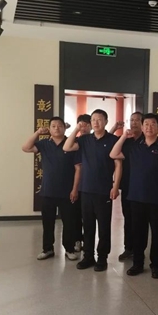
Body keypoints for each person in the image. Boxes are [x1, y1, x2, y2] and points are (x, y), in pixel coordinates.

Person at [110, 113, 158, 278]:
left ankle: (156, 265)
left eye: (153, 124)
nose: (149, 127)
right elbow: (113, 154)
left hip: (157, 198)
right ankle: (138, 263)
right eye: (146, 124)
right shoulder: (134, 146)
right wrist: (123, 136)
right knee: (138, 232)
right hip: (136, 197)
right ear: (142, 126)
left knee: (157, 233)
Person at [63, 109, 121, 272]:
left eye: (99, 119)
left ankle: (102, 258)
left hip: (104, 190)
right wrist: (77, 128)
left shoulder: (113, 140)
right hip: (86, 189)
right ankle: (88, 256)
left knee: (104, 226)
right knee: (88, 226)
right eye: (93, 119)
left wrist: (115, 186)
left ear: (106, 121)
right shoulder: (84, 139)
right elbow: (67, 147)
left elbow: (118, 164)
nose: (96, 122)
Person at [22, 117, 81, 261]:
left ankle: (69, 249)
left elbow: (78, 169)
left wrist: (75, 189)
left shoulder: (71, 143)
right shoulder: (44, 144)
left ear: (64, 128)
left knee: (69, 222)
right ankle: (47, 249)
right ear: (49, 129)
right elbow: (26, 148)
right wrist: (38, 133)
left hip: (67, 192)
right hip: (48, 191)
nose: (56, 128)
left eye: (59, 125)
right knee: (47, 222)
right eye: (53, 126)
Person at [117, 112, 143, 261]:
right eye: (132, 120)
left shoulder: (147, 140)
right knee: (128, 217)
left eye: (137, 120)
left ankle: (140, 249)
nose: (134, 123)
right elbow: (114, 154)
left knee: (141, 220)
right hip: (128, 185)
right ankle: (129, 248)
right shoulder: (126, 141)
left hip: (143, 187)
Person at [71, 113, 92, 253]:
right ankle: (77, 240)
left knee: (88, 217)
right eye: (81, 125)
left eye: (86, 125)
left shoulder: (93, 141)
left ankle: (87, 242)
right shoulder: (76, 141)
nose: (83, 128)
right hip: (75, 183)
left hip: (89, 185)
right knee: (76, 215)